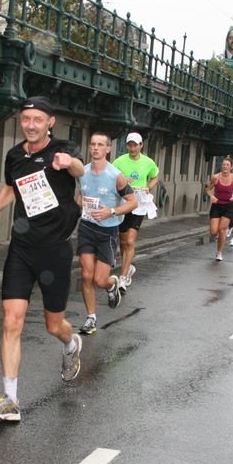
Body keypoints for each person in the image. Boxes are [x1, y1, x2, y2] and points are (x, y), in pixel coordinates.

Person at [0, 96, 85, 422]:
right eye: (26, 119)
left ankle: (71, 343)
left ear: (50, 121)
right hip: (22, 248)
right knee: (11, 321)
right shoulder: (15, 155)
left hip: (55, 249)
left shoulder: (64, 149)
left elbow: (79, 169)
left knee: (54, 325)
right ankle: (10, 400)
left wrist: (68, 163)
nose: (32, 125)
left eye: (38, 119)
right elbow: (11, 188)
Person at [77, 133, 138, 335]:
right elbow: (81, 196)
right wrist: (79, 206)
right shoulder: (82, 172)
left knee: (99, 280)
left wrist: (111, 211)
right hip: (86, 227)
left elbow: (132, 202)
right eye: (92, 144)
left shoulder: (115, 175)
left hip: (107, 231)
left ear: (108, 149)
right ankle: (91, 318)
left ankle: (112, 285)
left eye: (100, 145)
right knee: (86, 274)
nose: (95, 148)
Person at [112, 132, 159, 292]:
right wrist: (123, 181)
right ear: (127, 146)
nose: (132, 148)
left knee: (130, 241)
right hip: (123, 201)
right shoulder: (119, 161)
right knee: (123, 241)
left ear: (141, 145)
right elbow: (111, 178)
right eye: (129, 145)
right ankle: (128, 266)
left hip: (138, 202)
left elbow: (155, 177)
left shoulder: (148, 162)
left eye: (135, 145)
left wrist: (149, 186)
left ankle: (123, 277)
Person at [205, 157, 233, 261]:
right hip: (217, 205)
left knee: (222, 229)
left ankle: (219, 252)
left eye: (227, 165)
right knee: (213, 232)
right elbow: (208, 189)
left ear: (230, 167)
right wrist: (211, 196)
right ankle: (219, 238)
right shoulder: (215, 177)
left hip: (229, 206)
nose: (225, 166)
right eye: (223, 165)